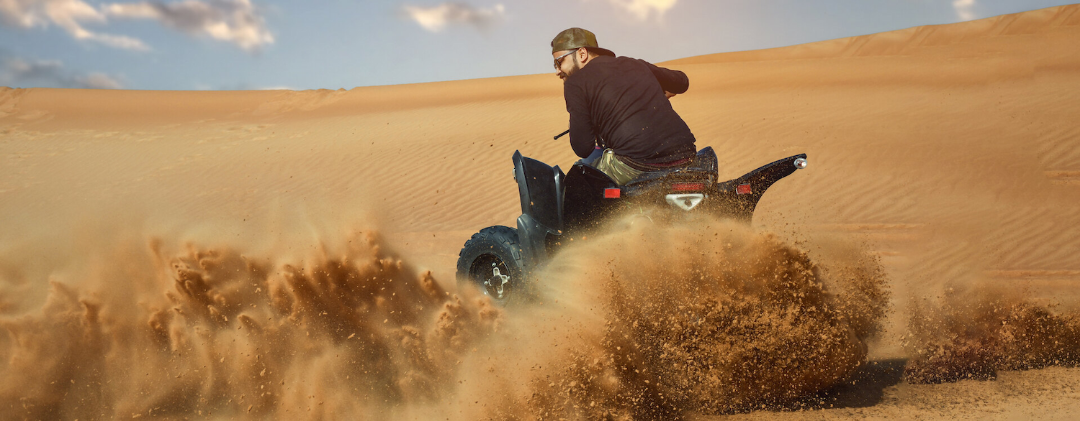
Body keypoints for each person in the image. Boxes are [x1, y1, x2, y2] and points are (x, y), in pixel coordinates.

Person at [552, 27, 697, 185]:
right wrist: (661, 87)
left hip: (637, 164)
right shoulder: (635, 64)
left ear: (582, 54)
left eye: (559, 62)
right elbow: (682, 82)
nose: (558, 71)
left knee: (579, 181)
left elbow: (583, 149)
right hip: (686, 156)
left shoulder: (575, 83)